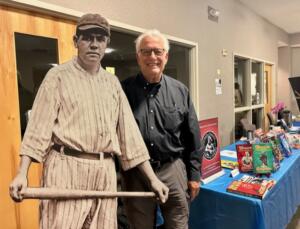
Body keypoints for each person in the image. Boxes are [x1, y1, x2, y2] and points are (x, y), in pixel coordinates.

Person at [9, 14, 168, 229]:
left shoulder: (112, 84)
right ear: (76, 42)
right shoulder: (57, 77)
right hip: (66, 170)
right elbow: (38, 129)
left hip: (104, 172)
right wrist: (22, 174)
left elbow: (130, 136)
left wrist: (153, 180)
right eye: (87, 38)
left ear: (106, 44)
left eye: (100, 39)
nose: (94, 44)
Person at [121, 29, 202, 229]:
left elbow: (192, 135)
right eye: (146, 52)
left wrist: (194, 176)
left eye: (158, 51)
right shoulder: (122, 91)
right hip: (136, 174)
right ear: (138, 56)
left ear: (166, 56)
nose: (152, 57)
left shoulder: (180, 91)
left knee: (178, 224)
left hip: (172, 169)